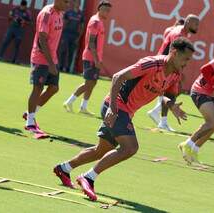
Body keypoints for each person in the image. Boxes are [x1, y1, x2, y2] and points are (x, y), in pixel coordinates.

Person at [54, 37, 194, 201]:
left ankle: (64, 168)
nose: (187, 63)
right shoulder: (152, 64)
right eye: (186, 59)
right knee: (130, 147)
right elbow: (117, 77)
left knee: (101, 150)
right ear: (174, 53)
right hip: (115, 106)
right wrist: (113, 108)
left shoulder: (175, 75)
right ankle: (88, 177)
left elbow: (160, 94)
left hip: (125, 111)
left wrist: (170, 105)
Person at [147, 14, 199, 131]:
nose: (197, 27)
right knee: (169, 93)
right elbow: (174, 54)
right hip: (166, 66)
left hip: (169, 66)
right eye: (196, 24)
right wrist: (178, 70)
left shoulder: (182, 33)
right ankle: (160, 118)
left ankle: (159, 115)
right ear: (188, 21)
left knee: (172, 92)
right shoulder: (178, 34)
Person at [23, 0, 69, 133]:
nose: (68, 4)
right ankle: (30, 122)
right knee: (38, 88)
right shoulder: (46, 14)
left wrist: (52, 62)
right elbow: (41, 40)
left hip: (52, 59)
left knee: (54, 88)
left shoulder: (60, 14)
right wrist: (50, 63)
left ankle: (29, 113)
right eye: (65, 2)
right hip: (40, 59)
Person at [63, 0, 112, 115]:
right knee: (88, 82)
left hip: (95, 58)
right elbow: (91, 43)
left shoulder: (99, 21)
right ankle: (69, 101)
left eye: (108, 11)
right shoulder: (95, 22)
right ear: (99, 9)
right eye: (105, 10)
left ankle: (83, 107)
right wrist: (96, 60)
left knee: (93, 82)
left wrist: (98, 59)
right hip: (91, 58)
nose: (107, 12)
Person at [58, 0, 84, 73]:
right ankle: (60, 66)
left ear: (80, 4)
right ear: (74, 3)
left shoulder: (81, 14)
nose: (77, 4)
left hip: (74, 36)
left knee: (71, 52)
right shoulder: (68, 12)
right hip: (66, 34)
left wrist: (78, 37)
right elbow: (62, 23)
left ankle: (68, 68)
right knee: (63, 50)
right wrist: (66, 23)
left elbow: (82, 27)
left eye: (79, 3)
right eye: (76, 2)